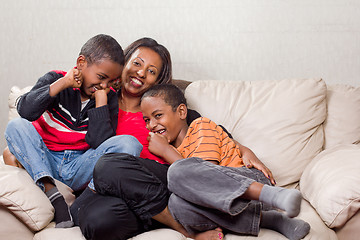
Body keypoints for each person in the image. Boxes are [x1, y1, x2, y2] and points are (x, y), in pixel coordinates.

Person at [72, 38, 274, 240]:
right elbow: (94, 145)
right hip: (117, 190)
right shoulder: (100, 102)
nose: (141, 73)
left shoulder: (163, 109)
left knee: (109, 165)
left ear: (157, 80)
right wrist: (101, 100)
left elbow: (214, 131)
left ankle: (183, 228)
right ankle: (165, 216)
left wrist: (246, 150)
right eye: (137, 63)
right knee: (98, 221)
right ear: (124, 63)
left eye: (151, 71)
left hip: (163, 182)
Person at [3, 34, 142, 228]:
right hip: (46, 159)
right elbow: (25, 110)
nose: (104, 86)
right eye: (101, 77)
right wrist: (63, 84)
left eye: (111, 82)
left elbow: (98, 143)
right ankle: (54, 195)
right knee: (15, 126)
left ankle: (81, 203)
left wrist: (101, 103)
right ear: (81, 63)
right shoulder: (56, 79)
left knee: (130, 144)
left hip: (79, 165)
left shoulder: (107, 98)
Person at [139, 84, 311, 240]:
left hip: (251, 183)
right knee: (176, 204)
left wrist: (165, 151)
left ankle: (274, 196)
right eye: (147, 120)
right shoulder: (173, 151)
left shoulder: (200, 127)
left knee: (177, 172)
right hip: (227, 205)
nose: (151, 125)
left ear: (182, 112)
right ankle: (270, 220)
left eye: (158, 116)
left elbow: (208, 174)